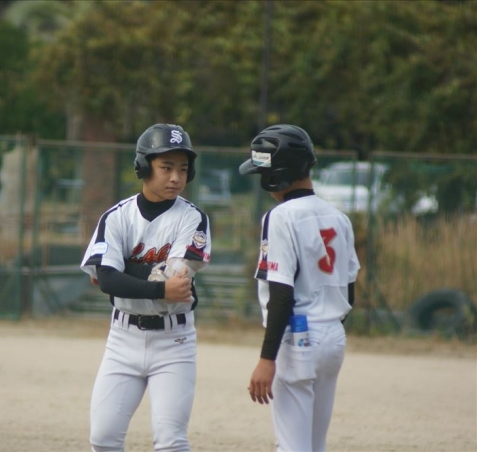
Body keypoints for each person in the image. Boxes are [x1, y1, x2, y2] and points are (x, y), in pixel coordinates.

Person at [80, 123, 212, 452]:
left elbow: (175, 276)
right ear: (143, 166)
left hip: (174, 341)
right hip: (122, 340)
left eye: (183, 169)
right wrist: (159, 289)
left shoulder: (193, 219)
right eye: (166, 167)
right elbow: (107, 280)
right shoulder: (116, 217)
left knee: (170, 442)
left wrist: (124, 270)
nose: (176, 177)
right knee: (103, 438)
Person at [238, 124, 360, 452]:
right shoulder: (339, 218)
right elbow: (349, 289)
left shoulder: (280, 216)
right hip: (333, 336)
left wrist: (267, 358)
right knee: (315, 445)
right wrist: (326, 328)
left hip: (298, 336)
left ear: (276, 175)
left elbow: (281, 294)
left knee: (293, 446)